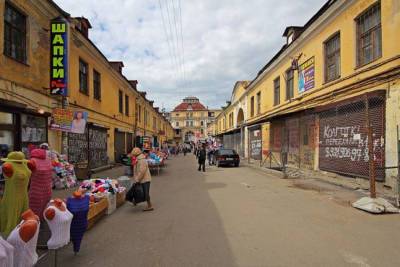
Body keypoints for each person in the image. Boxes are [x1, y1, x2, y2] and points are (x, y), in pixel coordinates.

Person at [131, 147, 153, 211]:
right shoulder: (139, 159)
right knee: (138, 191)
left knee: (145, 193)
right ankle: (135, 201)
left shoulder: (141, 160)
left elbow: (142, 171)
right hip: (142, 179)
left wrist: (137, 179)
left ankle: (150, 206)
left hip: (145, 179)